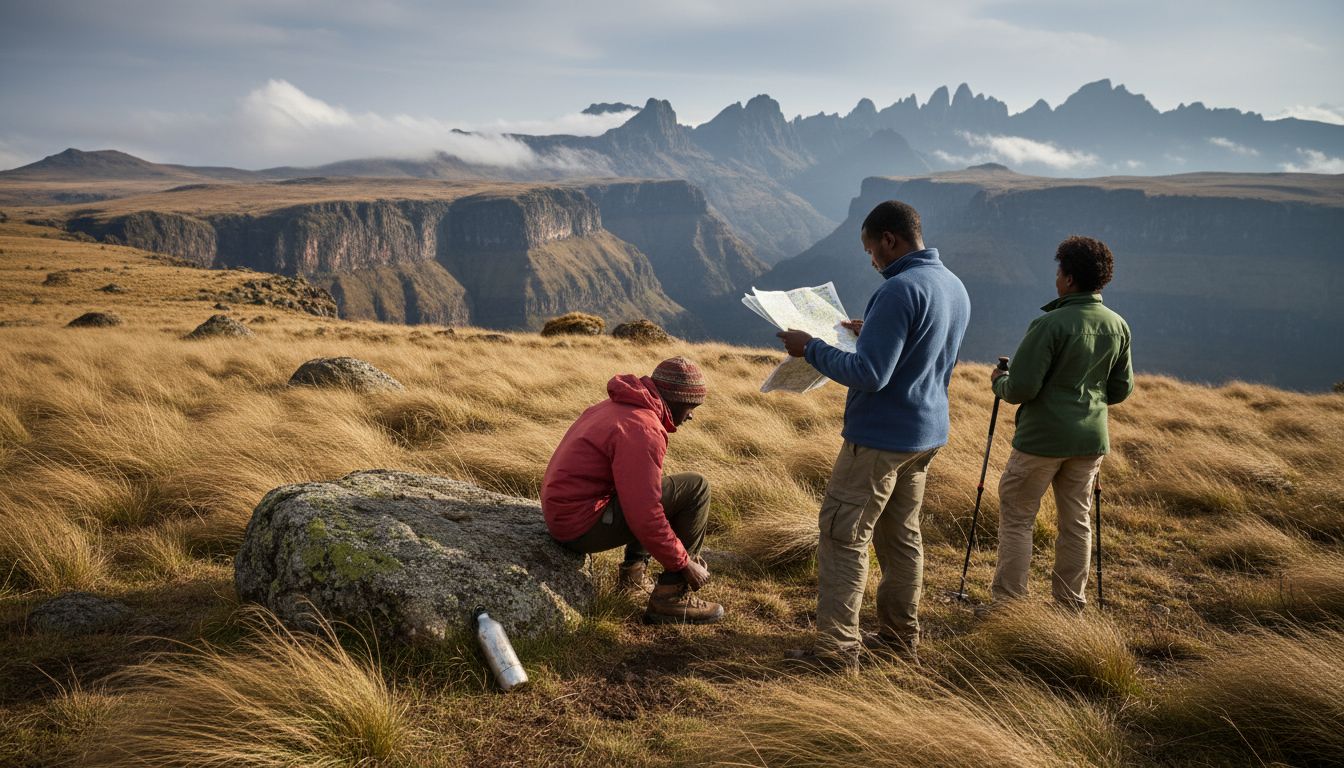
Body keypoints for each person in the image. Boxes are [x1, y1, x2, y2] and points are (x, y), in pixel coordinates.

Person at [777, 200, 970, 669]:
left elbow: (870, 374)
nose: (871, 260)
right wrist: (875, 332)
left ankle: (838, 652)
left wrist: (811, 349)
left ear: (890, 239)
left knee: (843, 535)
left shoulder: (899, 290)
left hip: (881, 438)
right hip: (925, 435)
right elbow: (923, 350)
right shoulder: (952, 285)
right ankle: (900, 638)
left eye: (871, 250)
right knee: (901, 537)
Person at [987, 235, 1133, 611]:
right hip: (1089, 442)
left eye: (1058, 271)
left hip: (1041, 440)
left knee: (1019, 519)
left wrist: (998, 382)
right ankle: (1070, 605)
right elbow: (1120, 390)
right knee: (1077, 522)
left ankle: (1009, 605)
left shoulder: (1049, 324)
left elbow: (1021, 388)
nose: (1056, 278)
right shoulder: (1118, 325)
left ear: (1068, 279)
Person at [541, 356, 724, 624]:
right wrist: (684, 564)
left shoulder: (617, 407)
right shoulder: (643, 428)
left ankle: (634, 575)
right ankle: (671, 597)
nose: (692, 415)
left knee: (652, 488)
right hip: (579, 527)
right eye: (691, 405)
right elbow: (645, 513)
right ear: (673, 398)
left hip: (564, 514)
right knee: (696, 489)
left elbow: (640, 496)